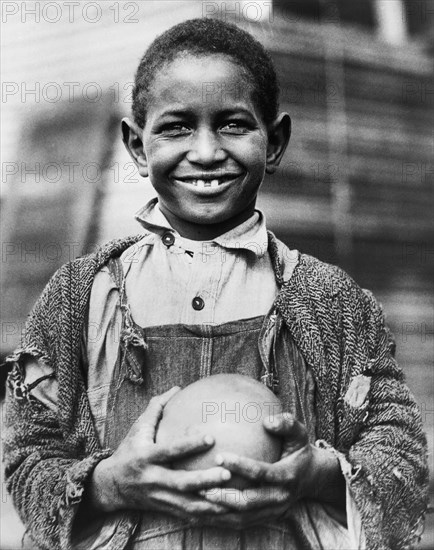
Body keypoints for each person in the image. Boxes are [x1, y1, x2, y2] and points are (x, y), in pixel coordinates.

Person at [3, 17, 429, 550]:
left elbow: (403, 456)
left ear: (273, 142)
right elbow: (27, 457)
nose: (205, 153)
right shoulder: (78, 298)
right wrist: (109, 484)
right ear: (137, 146)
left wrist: (318, 472)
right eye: (176, 126)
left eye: (232, 124)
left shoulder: (332, 302)